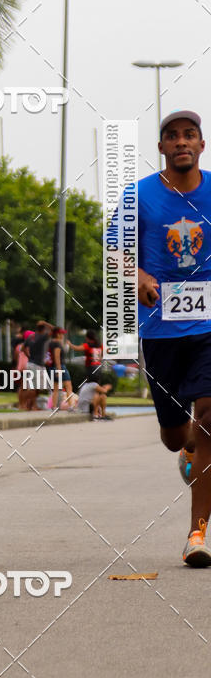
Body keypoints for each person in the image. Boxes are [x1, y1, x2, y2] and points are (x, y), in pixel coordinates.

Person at [137, 110, 211, 566]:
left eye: (190, 135)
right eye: (172, 136)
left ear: (201, 145)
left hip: (209, 328)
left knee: (209, 418)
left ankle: (197, 533)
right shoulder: (139, 195)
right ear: (162, 147)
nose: (181, 142)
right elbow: (116, 253)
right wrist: (140, 273)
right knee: (175, 435)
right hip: (160, 331)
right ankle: (186, 450)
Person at [24, 321, 52, 410]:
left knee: (37, 387)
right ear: (43, 329)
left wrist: (28, 356)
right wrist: (45, 323)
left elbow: (23, 348)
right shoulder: (43, 337)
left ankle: (30, 405)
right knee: (34, 387)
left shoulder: (30, 337)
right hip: (37, 365)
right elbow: (55, 330)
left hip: (31, 363)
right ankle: (31, 405)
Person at [47, 326, 74, 409]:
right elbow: (57, 356)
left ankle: (54, 406)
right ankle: (71, 407)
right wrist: (59, 370)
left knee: (56, 389)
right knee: (68, 386)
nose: (63, 335)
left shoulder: (50, 343)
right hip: (60, 367)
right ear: (57, 334)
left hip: (52, 367)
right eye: (61, 333)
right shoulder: (57, 344)